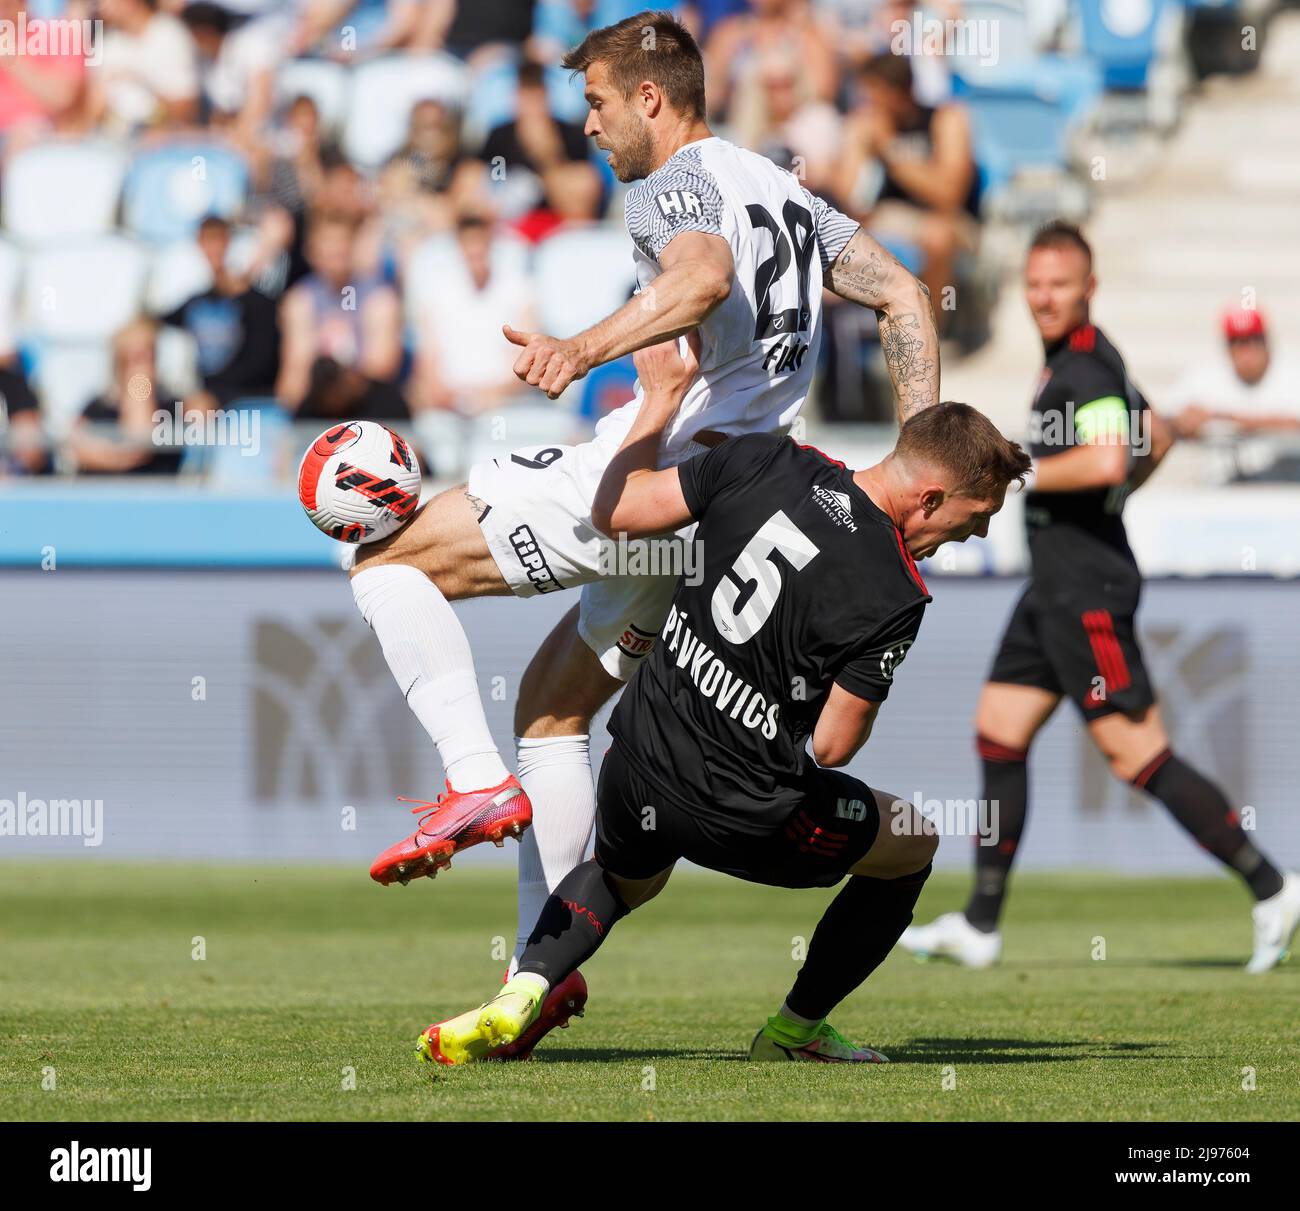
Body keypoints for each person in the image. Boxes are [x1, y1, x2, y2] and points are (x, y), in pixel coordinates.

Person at [349, 9, 938, 1061]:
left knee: (383, 558)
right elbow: (902, 295)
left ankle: (471, 777)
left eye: (598, 103)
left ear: (653, 99)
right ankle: (534, 973)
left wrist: (582, 348)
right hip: (724, 508)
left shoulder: (673, 185)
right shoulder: (790, 194)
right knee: (555, 710)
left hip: (653, 474)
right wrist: (917, 451)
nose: (587, 126)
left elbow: (703, 274)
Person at [418, 341, 1029, 1066]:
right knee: (912, 844)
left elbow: (623, 510)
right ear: (929, 498)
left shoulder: (766, 460)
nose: (976, 530)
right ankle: (794, 1033)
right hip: (746, 813)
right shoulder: (896, 592)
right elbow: (833, 746)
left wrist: (657, 403)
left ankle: (523, 988)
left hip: (639, 760)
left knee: (619, 876)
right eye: (975, 514)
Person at [900, 222, 1299, 974]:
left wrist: (1017, 474)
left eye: (1060, 283)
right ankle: (981, 924)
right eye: (1036, 283)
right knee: (999, 728)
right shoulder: (1074, 363)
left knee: (1134, 751)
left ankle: (1273, 885)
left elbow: (1114, 452)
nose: (1045, 296)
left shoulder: (1087, 367)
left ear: (1090, 288)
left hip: (1087, 589)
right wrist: (1112, 489)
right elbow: (1158, 436)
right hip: (1051, 588)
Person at [158, 215, 280, 408]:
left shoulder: (259, 304)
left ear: (229, 243)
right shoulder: (196, 302)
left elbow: (262, 363)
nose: (212, 250)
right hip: (205, 401)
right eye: (206, 241)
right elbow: (158, 321)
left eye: (217, 240)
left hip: (248, 402)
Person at [1168, 307, 1300, 439]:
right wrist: (1185, 422)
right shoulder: (1202, 376)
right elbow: (1165, 420)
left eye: (1253, 341)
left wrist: (1220, 419)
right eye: (1238, 343)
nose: (1247, 352)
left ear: (1265, 341)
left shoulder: (1292, 373)